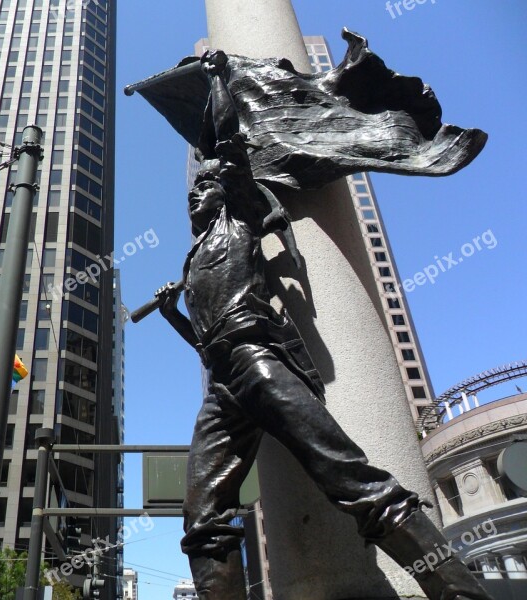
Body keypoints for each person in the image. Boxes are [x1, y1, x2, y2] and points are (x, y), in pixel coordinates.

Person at [155, 121, 493, 599]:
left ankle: (456, 589)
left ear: (224, 193)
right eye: (192, 192)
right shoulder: (194, 259)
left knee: (346, 472)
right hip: (224, 383)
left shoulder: (240, 220)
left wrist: (215, 77)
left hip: (258, 361)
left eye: (203, 188)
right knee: (202, 515)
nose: (194, 197)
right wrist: (174, 315)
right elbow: (206, 341)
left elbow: (231, 148)